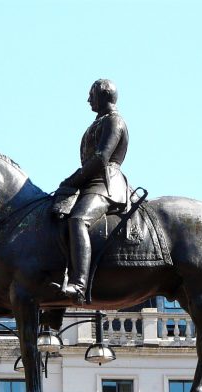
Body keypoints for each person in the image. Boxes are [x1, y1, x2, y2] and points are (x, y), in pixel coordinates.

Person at [50, 78, 130, 304]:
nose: (88, 100)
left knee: (78, 220)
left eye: (91, 95)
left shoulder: (115, 121)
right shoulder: (98, 122)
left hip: (106, 183)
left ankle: (79, 285)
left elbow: (101, 158)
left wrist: (74, 179)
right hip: (89, 183)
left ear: (103, 95)